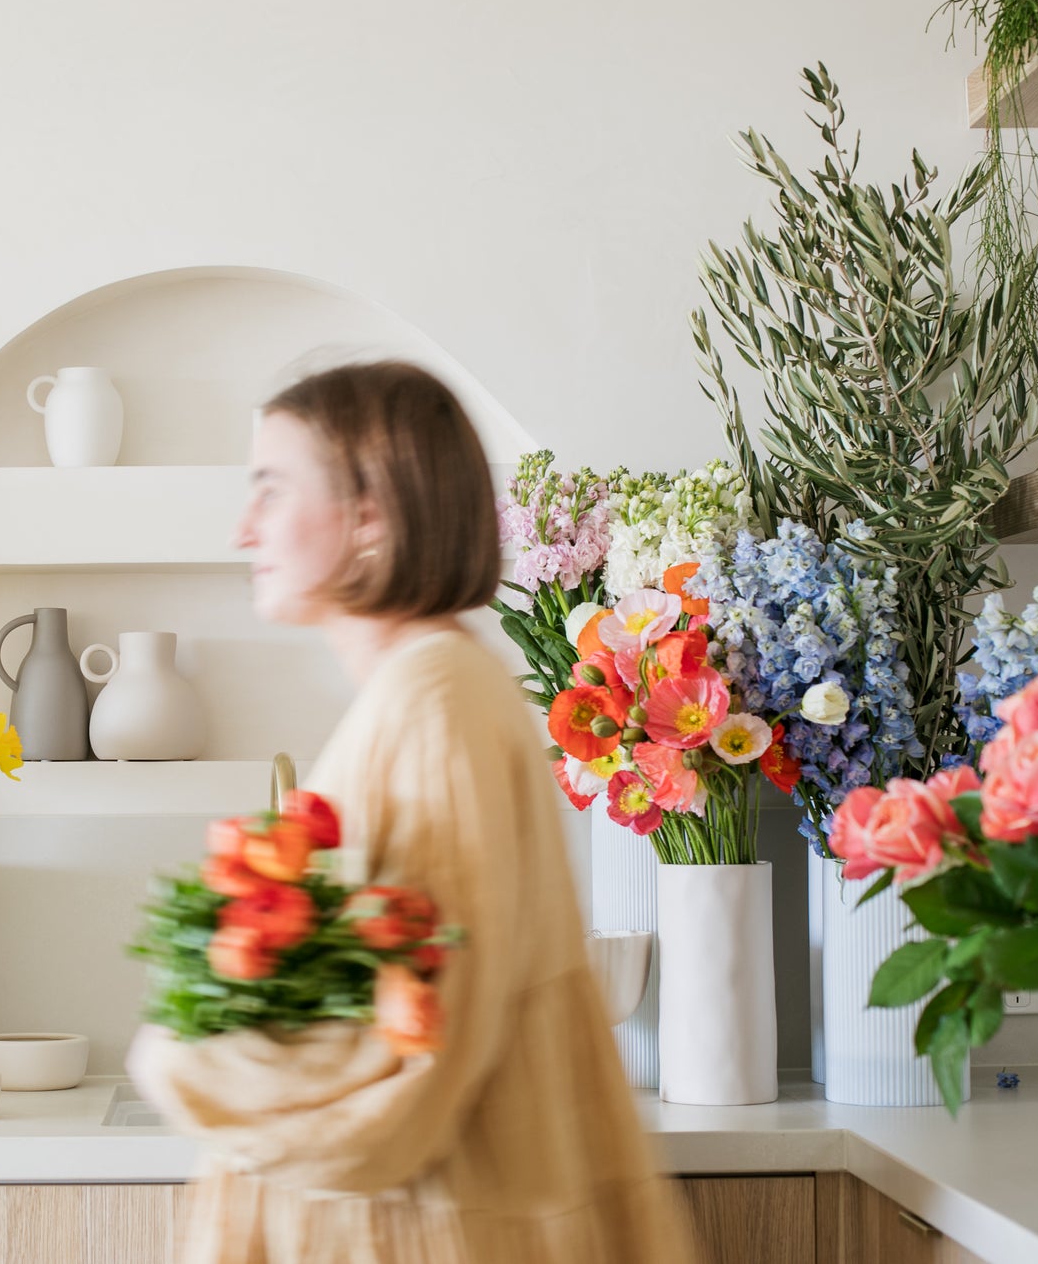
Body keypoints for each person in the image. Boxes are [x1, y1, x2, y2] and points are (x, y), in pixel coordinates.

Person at [127, 362, 694, 1264]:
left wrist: (189, 1061)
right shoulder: (423, 690)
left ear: (370, 515)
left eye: (271, 490)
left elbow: (413, 1061)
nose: (243, 530)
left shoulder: (435, 703)